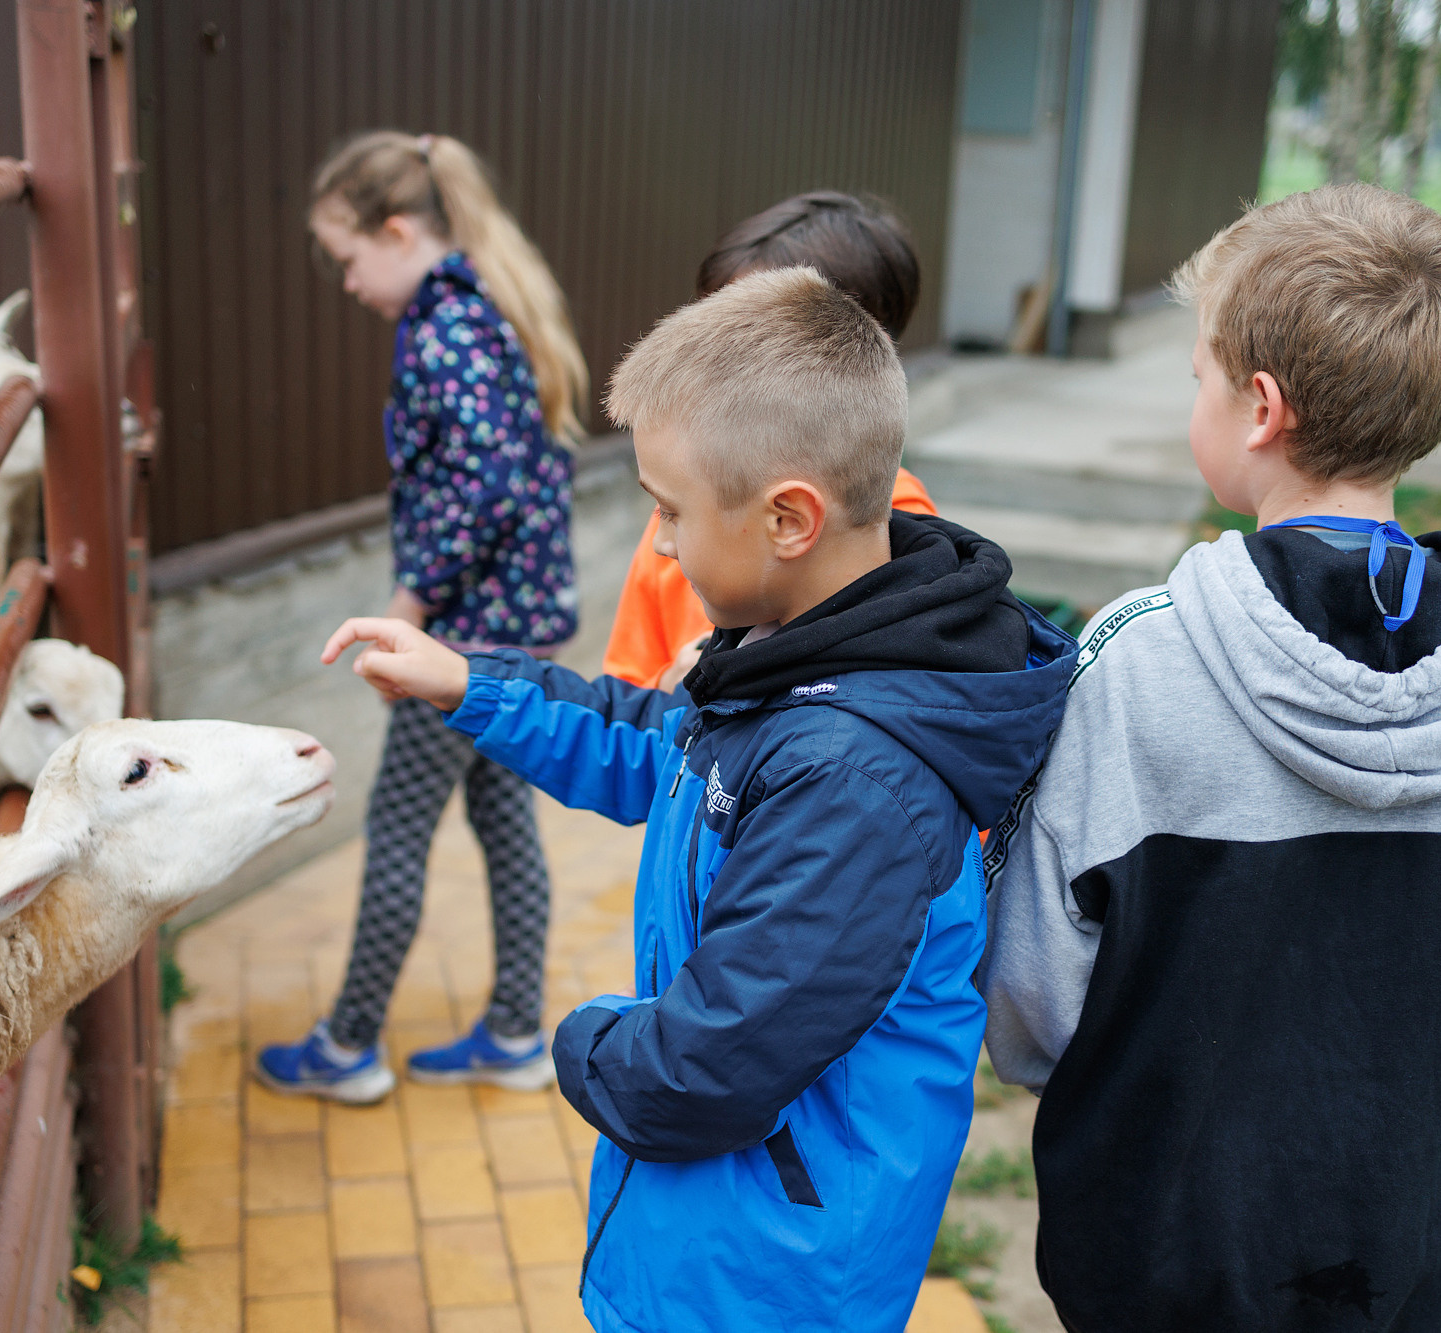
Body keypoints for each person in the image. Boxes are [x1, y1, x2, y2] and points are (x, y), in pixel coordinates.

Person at [319, 268, 1076, 1331]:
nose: (660, 543)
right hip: (718, 1236)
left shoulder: (851, 776)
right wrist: (468, 681)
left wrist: (580, 1034)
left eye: (667, 510)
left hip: (766, 1276)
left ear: (786, 520)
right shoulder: (792, 657)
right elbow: (657, 748)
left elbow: (700, 1069)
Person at [982, 183, 1441, 1331]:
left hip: (1148, 1260)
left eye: (1196, 376)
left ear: (1256, 407)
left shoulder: (1135, 662)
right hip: (1408, 1254)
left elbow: (1026, 997)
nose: (1193, 400)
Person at [257, 131, 589, 1104]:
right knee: (501, 816)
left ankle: (349, 1044)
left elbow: (480, 487)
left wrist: (406, 603)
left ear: (397, 232)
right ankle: (516, 1031)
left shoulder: (442, 329)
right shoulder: (489, 307)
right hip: (519, 624)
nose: (347, 283)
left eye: (348, 259)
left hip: (464, 636)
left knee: (397, 824)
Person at [602, 191, 938, 691]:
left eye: (753, 337)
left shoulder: (893, 528)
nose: (709, 354)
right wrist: (665, 697)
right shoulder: (681, 514)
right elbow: (623, 687)